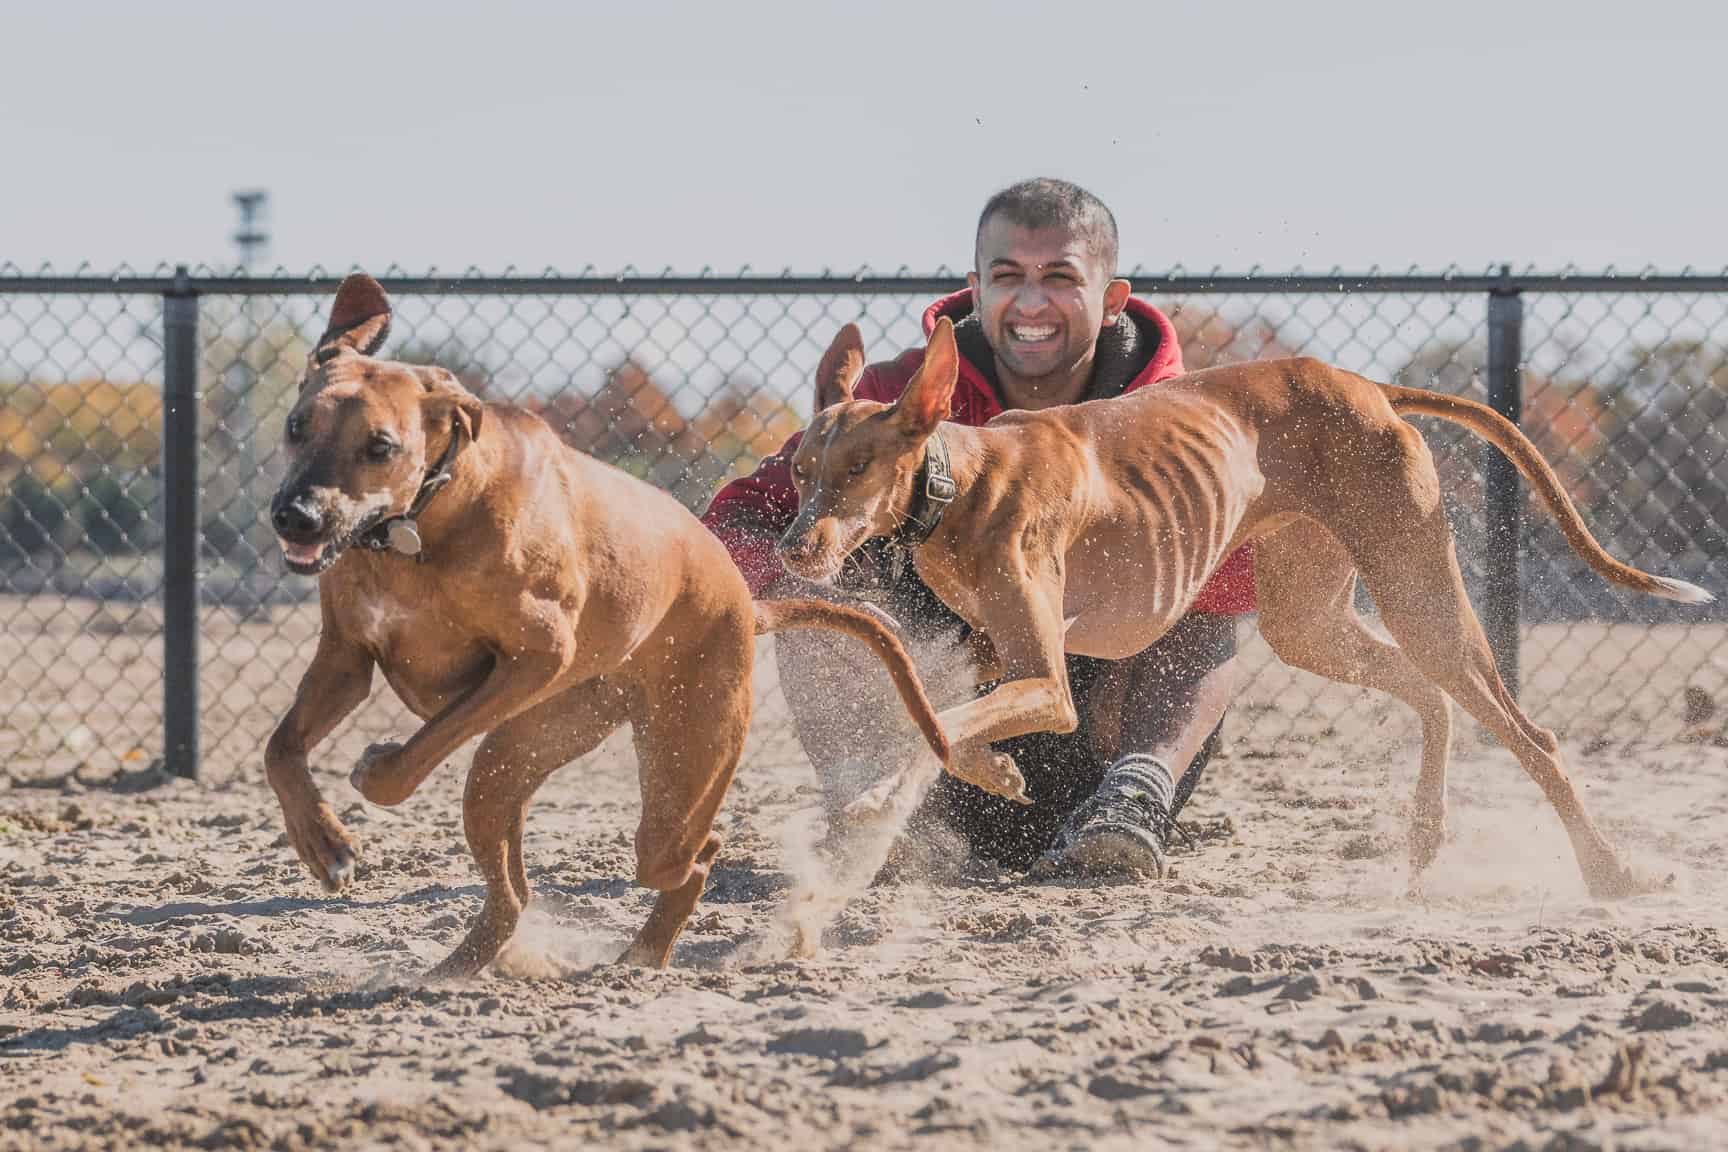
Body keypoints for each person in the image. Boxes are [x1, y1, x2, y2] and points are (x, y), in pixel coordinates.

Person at [701, 178, 1255, 877]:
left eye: (1059, 278)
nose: (1030, 303)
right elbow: (755, 513)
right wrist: (712, 601)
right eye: (1007, 277)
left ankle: (1136, 798)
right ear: (977, 287)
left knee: (1203, 599)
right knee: (811, 585)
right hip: (935, 745)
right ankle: (869, 815)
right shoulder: (893, 401)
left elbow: (1240, 577)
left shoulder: (1173, 419)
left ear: (1111, 297)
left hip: (1097, 737)